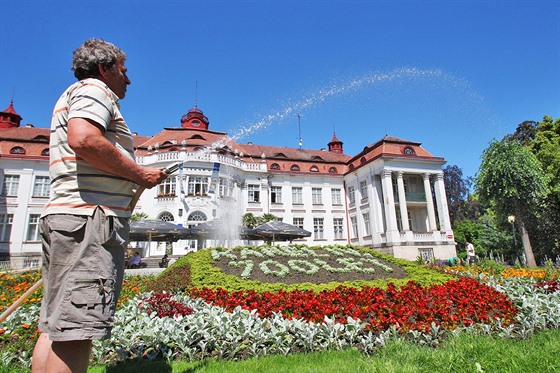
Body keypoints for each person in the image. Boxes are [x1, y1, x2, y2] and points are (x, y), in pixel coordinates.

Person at [32, 38, 168, 373]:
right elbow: (84, 139)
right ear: (105, 68)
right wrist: (140, 174)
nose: (128, 79)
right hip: (89, 220)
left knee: (56, 327)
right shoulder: (95, 89)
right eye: (123, 70)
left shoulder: (74, 94)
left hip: (69, 217)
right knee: (78, 331)